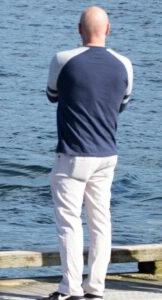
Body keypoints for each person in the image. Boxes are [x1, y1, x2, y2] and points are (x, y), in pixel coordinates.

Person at [45, 6, 133, 300]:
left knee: (69, 222)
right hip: (107, 155)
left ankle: (69, 288)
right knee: (101, 222)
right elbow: (121, 104)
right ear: (108, 30)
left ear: (79, 30)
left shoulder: (63, 60)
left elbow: (52, 96)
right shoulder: (125, 65)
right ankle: (96, 288)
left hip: (72, 154)